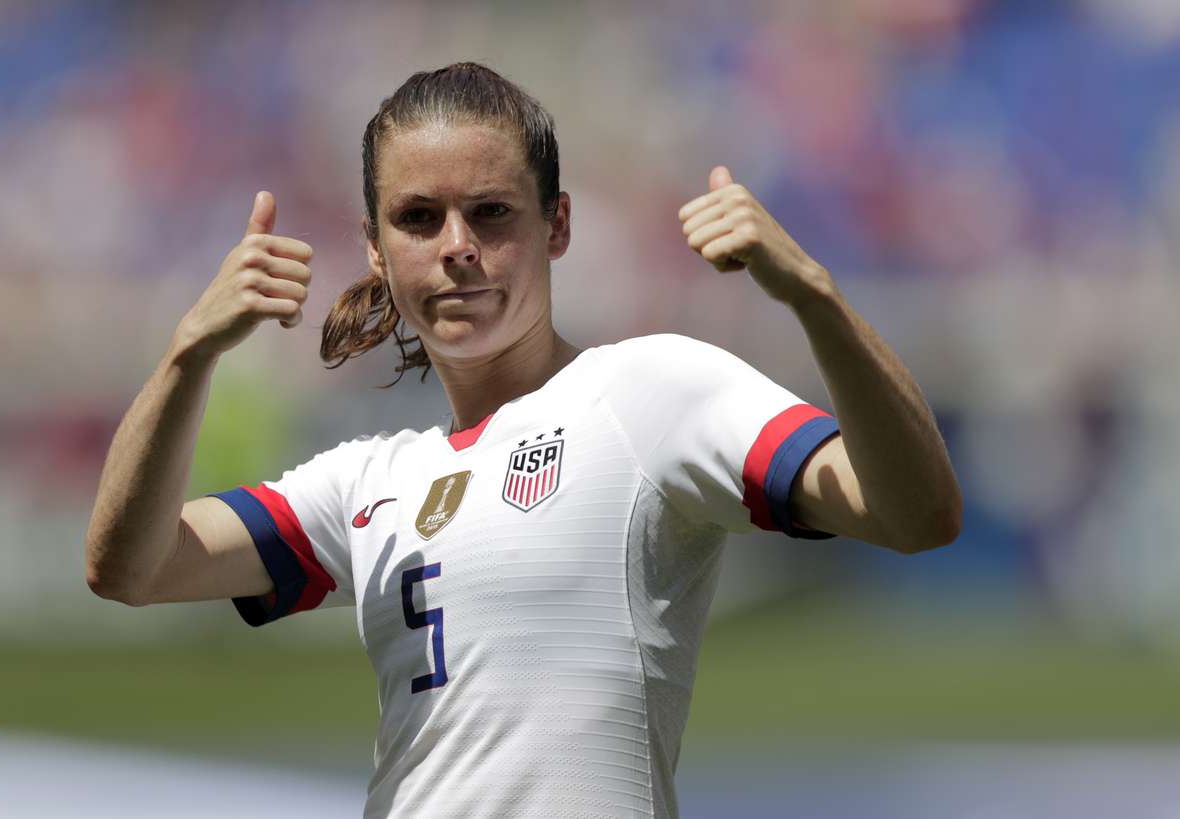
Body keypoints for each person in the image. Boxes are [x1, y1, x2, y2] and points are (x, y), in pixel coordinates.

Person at [85, 62, 961, 818]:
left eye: (492, 212)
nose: (457, 247)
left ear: (559, 224)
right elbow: (131, 566)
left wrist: (814, 296)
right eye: (419, 217)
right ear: (377, 250)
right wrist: (187, 353)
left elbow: (916, 512)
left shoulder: (649, 390)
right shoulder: (369, 481)